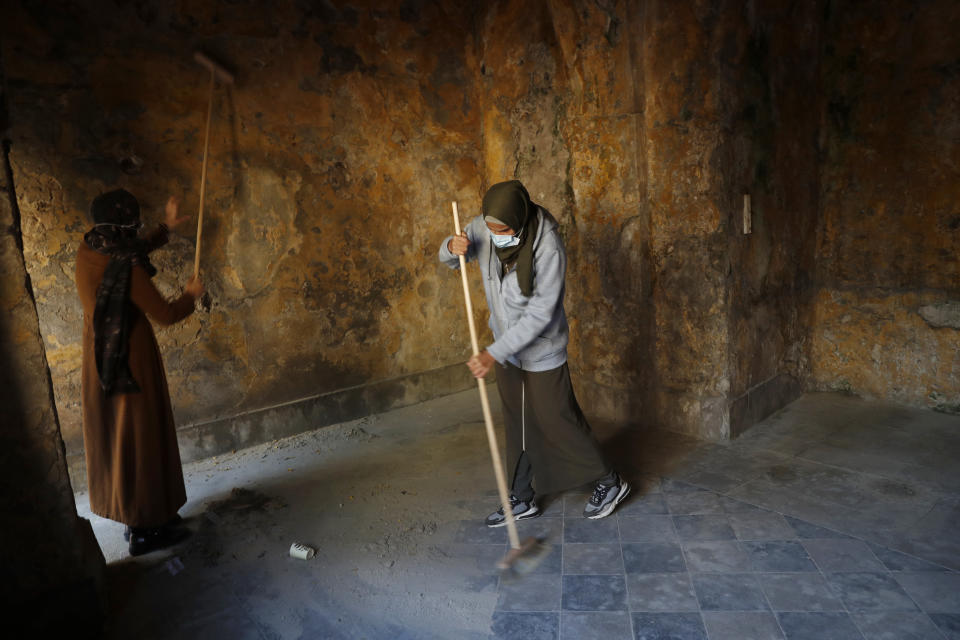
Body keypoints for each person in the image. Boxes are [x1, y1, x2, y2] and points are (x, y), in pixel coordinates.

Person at [438, 180, 629, 527]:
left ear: (521, 221)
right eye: (490, 228)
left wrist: (493, 353)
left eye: (504, 230)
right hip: (505, 351)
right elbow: (450, 256)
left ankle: (609, 481)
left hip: (541, 349)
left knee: (556, 420)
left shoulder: (548, 247)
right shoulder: (483, 225)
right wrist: (453, 246)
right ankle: (521, 497)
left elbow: (540, 315)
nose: (496, 235)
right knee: (517, 424)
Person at [75, 189, 203, 555]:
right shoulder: (125, 269)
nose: (136, 232)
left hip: (102, 356)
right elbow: (166, 315)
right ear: (124, 227)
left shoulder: (90, 248)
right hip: (129, 361)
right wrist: (191, 295)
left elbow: (130, 250)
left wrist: (166, 229)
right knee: (141, 438)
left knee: (128, 438)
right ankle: (146, 530)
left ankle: (149, 515)